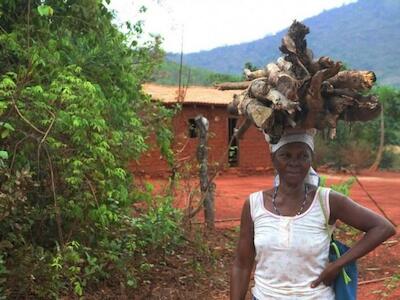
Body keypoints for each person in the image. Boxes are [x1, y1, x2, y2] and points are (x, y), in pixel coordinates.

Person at [230, 129, 396, 300]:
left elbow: (383, 228)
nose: (294, 162)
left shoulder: (326, 200)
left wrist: (338, 265)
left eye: (303, 156)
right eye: (285, 155)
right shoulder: (255, 204)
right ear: (273, 158)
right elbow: (242, 265)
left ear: (311, 159)